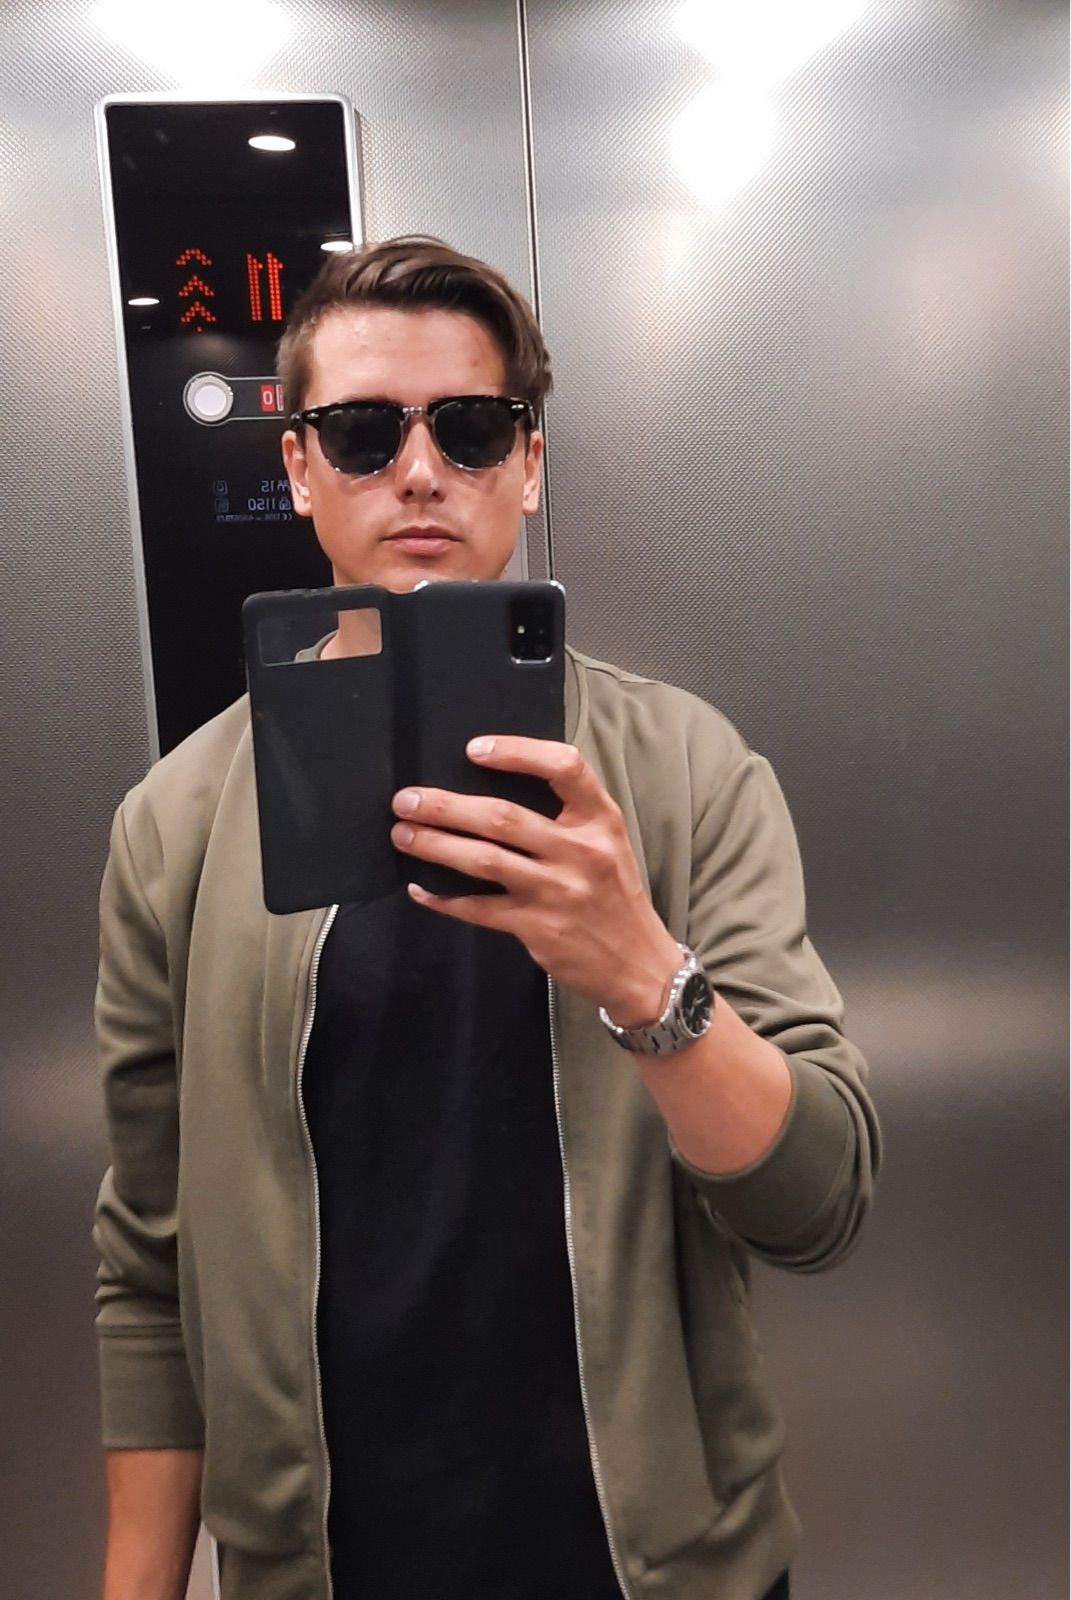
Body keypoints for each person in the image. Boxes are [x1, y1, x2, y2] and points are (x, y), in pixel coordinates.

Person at [94, 236, 881, 1600]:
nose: (419, 471)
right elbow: (148, 1272)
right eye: (361, 433)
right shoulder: (177, 826)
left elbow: (817, 1206)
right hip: (326, 1568)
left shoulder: (686, 774)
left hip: (657, 1568)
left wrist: (645, 976)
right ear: (298, 468)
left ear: (528, 462)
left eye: (468, 428)